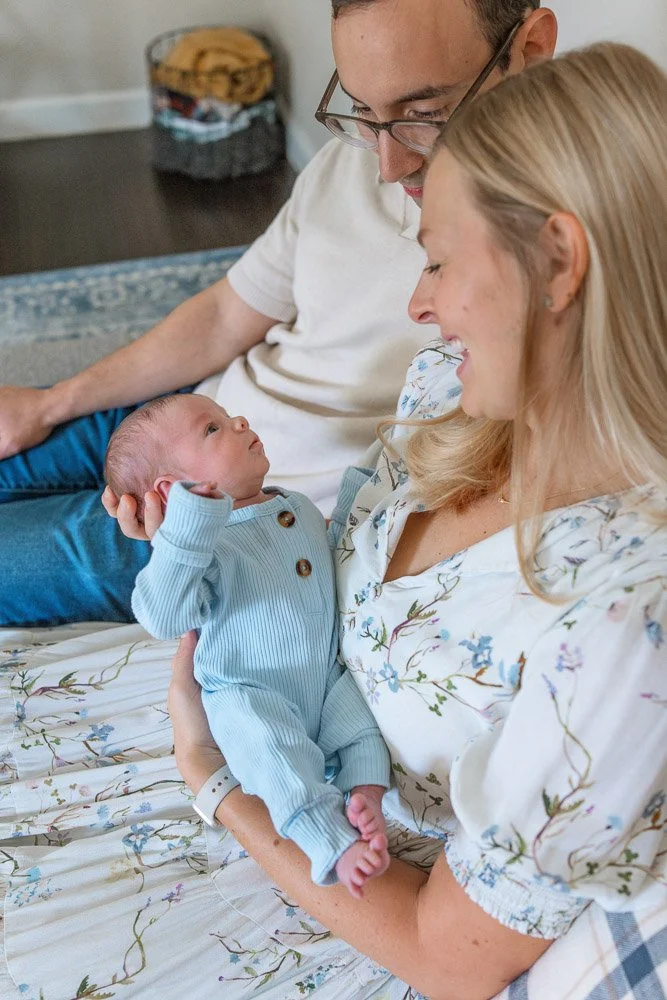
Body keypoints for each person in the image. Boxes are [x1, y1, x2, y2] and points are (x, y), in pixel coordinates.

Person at [0, 38, 666, 1000]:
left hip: (318, 843)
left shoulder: (623, 620)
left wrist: (214, 780)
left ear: (558, 260)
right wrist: (202, 544)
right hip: (256, 672)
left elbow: (447, 955)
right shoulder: (447, 390)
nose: (417, 303)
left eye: (437, 262)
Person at [0, 0, 558, 627]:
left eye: (424, 115)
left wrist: (198, 544)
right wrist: (50, 404)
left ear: (531, 48)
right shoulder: (353, 158)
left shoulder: (557, 251)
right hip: (196, 415)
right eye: (363, 112)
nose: (386, 166)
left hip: (243, 524)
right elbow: (226, 314)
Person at [105, 393, 391, 895]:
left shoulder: (293, 505)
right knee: (273, 752)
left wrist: (358, 496)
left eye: (227, 416)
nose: (238, 420)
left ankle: (365, 796)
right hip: (249, 692)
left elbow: (335, 554)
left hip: (327, 674)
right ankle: (328, 840)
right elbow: (161, 614)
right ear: (174, 490)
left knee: (365, 724)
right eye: (212, 429)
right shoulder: (203, 548)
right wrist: (185, 530)